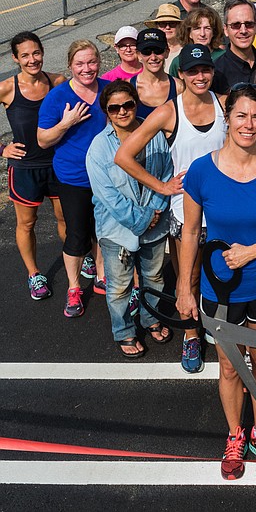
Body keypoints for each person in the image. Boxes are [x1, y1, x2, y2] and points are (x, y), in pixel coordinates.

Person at [176, 84, 256, 480]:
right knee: (231, 368)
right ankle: (235, 435)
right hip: (222, 290)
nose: (249, 124)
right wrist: (185, 286)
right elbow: (190, 232)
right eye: (241, 115)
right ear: (227, 117)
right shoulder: (201, 171)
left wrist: (251, 251)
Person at [116, 44, 227, 374]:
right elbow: (124, 156)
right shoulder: (168, 112)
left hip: (223, 211)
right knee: (188, 278)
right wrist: (162, 186)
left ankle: (221, 331)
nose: (200, 76)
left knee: (224, 275)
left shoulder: (224, 105)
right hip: (185, 213)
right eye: (192, 71)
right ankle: (191, 334)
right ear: (180, 75)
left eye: (205, 70)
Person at [86, 80, 173, 358]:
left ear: (136, 103)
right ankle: (123, 330)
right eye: (115, 108)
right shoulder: (99, 148)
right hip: (117, 229)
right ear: (106, 112)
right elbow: (107, 197)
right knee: (119, 287)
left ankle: (150, 318)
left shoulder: (154, 133)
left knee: (154, 277)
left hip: (155, 224)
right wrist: (143, 218)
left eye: (128, 104)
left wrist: (156, 211)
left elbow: (167, 175)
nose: (122, 111)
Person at [37, 40, 108, 317]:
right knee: (77, 235)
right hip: (73, 177)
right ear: (70, 66)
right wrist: (66, 123)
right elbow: (42, 140)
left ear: (99, 62)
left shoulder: (106, 91)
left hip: (105, 176)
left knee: (102, 231)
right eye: (80, 64)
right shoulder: (57, 97)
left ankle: (102, 274)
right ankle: (74, 287)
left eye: (91, 62)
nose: (86, 68)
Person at [0, 32, 66, 300]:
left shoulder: (57, 82)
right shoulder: (7, 88)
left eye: (36, 53)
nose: (32, 60)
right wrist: (2, 149)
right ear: (15, 58)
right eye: (25, 55)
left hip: (57, 163)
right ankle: (34, 273)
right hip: (25, 167)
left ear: (43, 52)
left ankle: (80, 254)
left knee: (67, 218)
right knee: (27, 223)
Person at [213, 0, 256, 93]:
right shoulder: (216, 71)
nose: (243, 31)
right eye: (236, 25)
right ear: (226, 30)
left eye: (249, 24)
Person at [131, 29, 183, 120]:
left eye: (158, 51)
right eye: (146, 52)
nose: (153, 57)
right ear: (138, 55)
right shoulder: (129, 87)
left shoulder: (179, 87)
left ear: (167, 52)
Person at [170, 6, 225, 76]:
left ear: (214, 32)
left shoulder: (225, 57)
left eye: (207, 28)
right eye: (197, 28)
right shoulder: (178, 61)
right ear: (189, 33)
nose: (202, 34)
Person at [144, 3, 183, 73]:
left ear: (179, 26)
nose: (167, 27)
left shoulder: (186, 49)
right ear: (157, 26)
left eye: (172, 23)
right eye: (162, 23)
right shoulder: (148, 50)